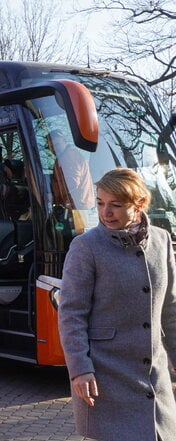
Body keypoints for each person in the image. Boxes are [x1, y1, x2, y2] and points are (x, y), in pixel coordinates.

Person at [58, 168, 176, 441]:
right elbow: (71, 314)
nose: (105, 212)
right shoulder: (86, 246)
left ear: (139, 204)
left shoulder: (161, 240)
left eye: (116, 205)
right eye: (100, 203)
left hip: (154, 376)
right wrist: (80, 369)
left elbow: (170, 307)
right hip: (105, 375)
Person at [48, 129, 94, 210]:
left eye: (57, 144)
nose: (54, 149)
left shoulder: (68, 157)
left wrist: (52, 195)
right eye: (51, 146)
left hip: (75, 208)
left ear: (64, 141)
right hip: (81, 206)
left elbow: (70, 185)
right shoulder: (71, 155)